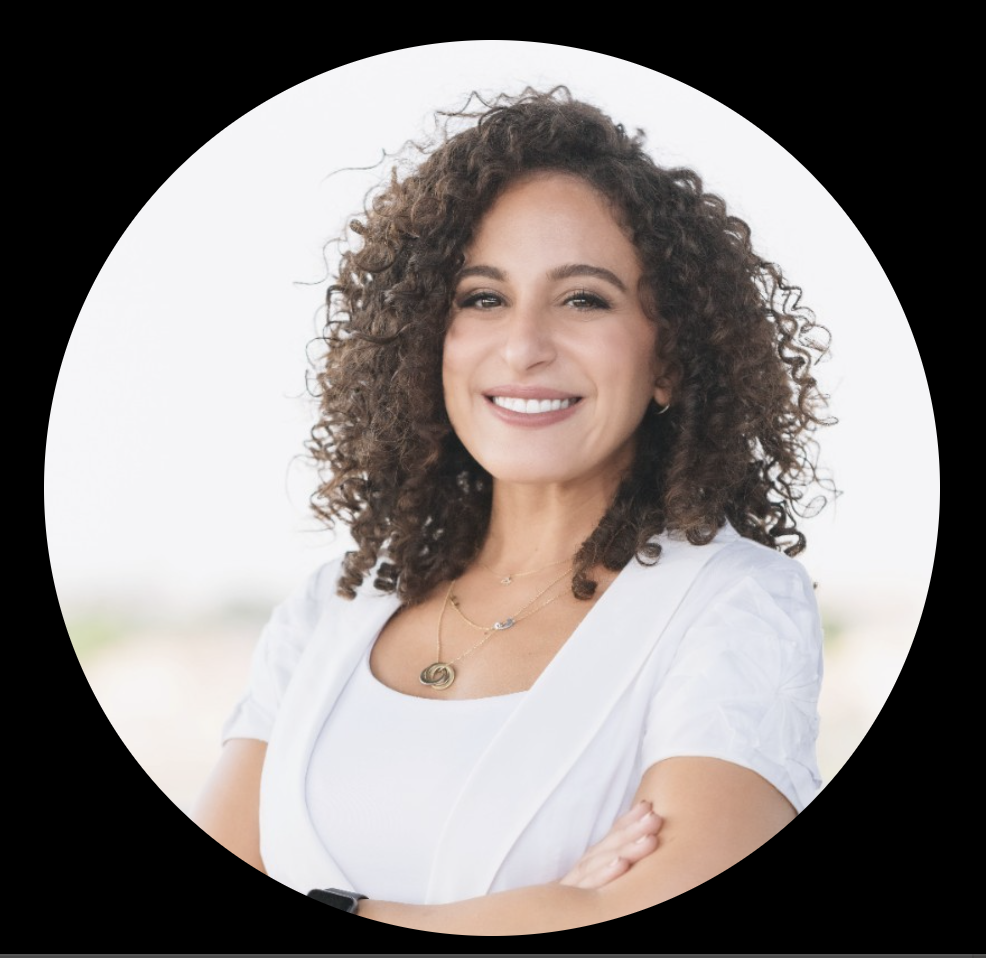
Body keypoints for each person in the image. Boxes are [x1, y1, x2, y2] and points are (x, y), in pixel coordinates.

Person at [192, 88, 831, 933]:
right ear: (428, 339)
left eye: (584, 299)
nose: (524, 346)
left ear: (670, 359)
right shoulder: (331, 608)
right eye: (483, 298)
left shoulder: (734, 602)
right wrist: (556, 907)